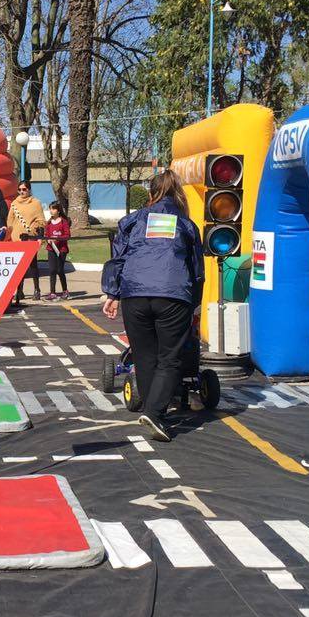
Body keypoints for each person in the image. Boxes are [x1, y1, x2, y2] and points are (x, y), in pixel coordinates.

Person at [101, 168, 204, 443]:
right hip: (172, 293)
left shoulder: (132, 221)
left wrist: (112, 293)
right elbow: (196, 270)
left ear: (150, 193)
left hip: (134, 294)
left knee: (144, 355)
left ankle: (151, 409)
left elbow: (118, 258)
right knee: (170, 357)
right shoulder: (186, 225)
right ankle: (156, 413)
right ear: (179, 194)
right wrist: (194, 303)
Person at [8, 180, 45, 300]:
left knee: (33, 265)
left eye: (24, 189)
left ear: (29, 189)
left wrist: (36, 232)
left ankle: (36, 290)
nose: (22, 192)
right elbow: (10, 221)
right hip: (17, 239)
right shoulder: (14, 203)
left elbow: (41, 221)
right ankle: (19, 290)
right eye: (19, 189)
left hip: (30, 238)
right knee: (19, 268)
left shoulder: (36, 203)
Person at [44, 200, 71, 300]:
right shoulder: (49, 223)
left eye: (53, 209)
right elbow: (46, 235)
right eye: (50, 209)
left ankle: (65, 291)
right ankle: (52, 292)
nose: (51, 211)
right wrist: (48, 240)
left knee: (60, 270)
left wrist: (57, 239)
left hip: (62, 250)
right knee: (52, 270)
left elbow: (67, 235)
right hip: (51, 249)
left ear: (58, 210)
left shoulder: (64, 222)